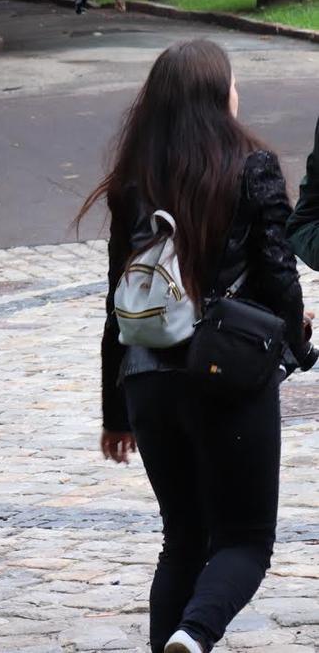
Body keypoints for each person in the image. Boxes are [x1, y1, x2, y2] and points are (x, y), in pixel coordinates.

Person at [79, 40, 315, 653]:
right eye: (232, 82)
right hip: (226, 375)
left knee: (182, 539)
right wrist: (297, 338)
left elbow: (118, 299)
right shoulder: (251, 165)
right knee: (245, 541)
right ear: (216, 95)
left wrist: (115, 413)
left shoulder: (133, 180)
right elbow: (278, 274)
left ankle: (176, 640)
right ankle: (195, 633)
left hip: (147, 378)